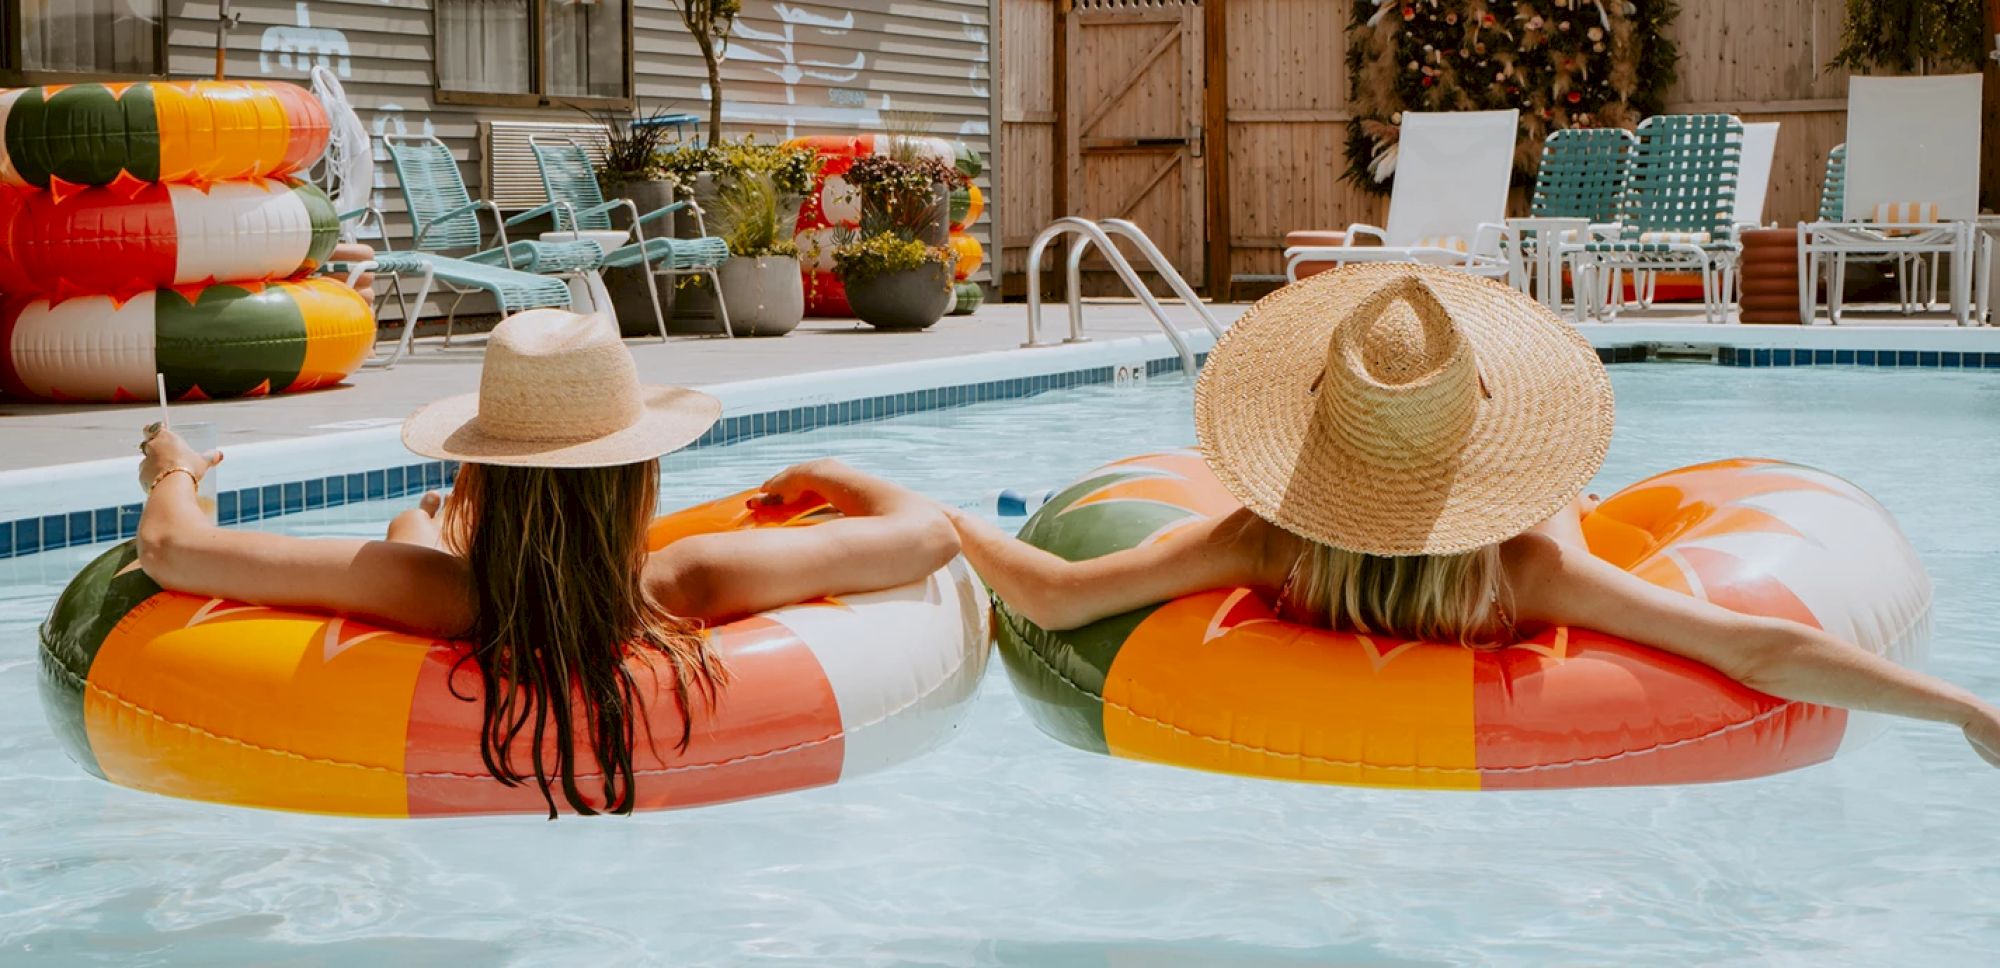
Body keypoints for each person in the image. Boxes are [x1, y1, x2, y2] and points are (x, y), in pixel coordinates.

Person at [938, 263, 2000, 767]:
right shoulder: (1529, 565)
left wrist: (945, 520)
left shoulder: (1260, 545)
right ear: (1481, 453)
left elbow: (1053, 591)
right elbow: (1753, 646)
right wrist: (1960, 707)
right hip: (1516, 562)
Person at [134, 310, 957, 816]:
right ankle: (435, 518)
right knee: (409, 530)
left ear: (485, 475)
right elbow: (929, 536)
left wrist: (172, 467)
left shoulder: (424, 588)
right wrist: (829, 476)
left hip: (456, 584)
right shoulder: (692, 578)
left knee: (404, 528)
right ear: (640, 476)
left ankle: (436, 518)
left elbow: (172, 548)